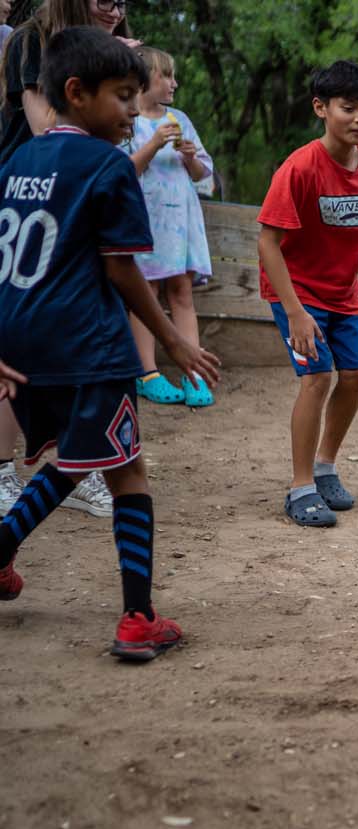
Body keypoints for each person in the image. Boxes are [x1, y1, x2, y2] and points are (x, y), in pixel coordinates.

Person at [0, 27, 220, 659]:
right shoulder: (107, 166)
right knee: (128, 471)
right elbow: (123, 268)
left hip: (25, 338)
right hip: (85, 343)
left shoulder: (19, 160)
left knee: (80, 455)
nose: (132, 109)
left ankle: (4, 546)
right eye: (122, 96)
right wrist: (175, 341)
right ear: (76, 92)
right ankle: (137, 618)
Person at [0, 0, 140, 517]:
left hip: (75, 199)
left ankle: (76, 465)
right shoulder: (31, 40)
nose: (115, 8)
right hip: (36, 198)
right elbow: (46, 130)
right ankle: (2, 472)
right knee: (23, 347)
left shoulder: (103, 47)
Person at [257, 60, 358, 528]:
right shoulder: (299, 168)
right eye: (348, 108)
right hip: (296, 293)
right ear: (321, 108)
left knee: (354, 375)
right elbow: (267, 243)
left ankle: (325, 468)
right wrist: (295, 313)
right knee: (316, 379)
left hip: (342, 293)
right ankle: (300, 488)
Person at [126, 45, 215, 407]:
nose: (175, 83)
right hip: (145, 220)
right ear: (146, 79)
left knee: (182, 292)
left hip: (179, 221)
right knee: (145, 293)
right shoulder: (128, 119)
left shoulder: (179, 118)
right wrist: (153, 144)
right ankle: (147, 373)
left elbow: (201, 172)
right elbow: (124, 171)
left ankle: (194, 373)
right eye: (167, 75)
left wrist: (190, 157)